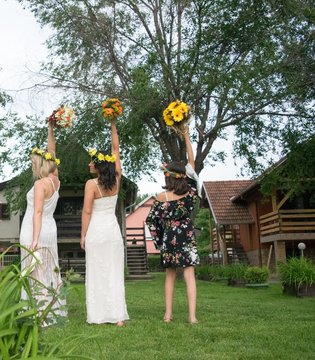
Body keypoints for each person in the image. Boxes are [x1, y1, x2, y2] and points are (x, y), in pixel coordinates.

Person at [146, 124, 200, 324]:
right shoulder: (192, 193)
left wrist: (160, 240)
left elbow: (151, 220)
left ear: (167, 176)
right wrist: (185, 134)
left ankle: (168, 315)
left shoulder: (161, 197)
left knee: (169, 276)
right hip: (187, 234)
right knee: (189, 276)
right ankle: (192, 317)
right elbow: (192, 162)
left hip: (169, 236)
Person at [80, 120, 129, 326]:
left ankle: (99, 315)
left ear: (98, 164)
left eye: (92, 161)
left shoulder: (91, 184)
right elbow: (116, 149)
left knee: (97, 272)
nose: (89, 164)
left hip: (96, 231)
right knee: (114, 271)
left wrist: (83, 235)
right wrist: (113, 123)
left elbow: (87, 211)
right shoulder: (117, 180)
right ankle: (118, 317)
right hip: (112, 231)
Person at [20, 120, 67, 325]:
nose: (32, 166)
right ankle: (52, 311)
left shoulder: (40, 184)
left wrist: (34, 240)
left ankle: (39, 315)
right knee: (49, 270)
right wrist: (50, 129)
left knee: (35, 271)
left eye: (33, 163)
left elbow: (37, 212)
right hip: (51, 228)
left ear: (39, 164)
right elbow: (52, 152)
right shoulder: (55, 180)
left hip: (35, 229)